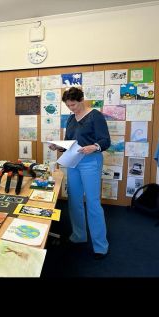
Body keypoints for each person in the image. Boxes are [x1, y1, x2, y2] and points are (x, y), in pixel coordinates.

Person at [49, 87, 111, 259]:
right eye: (68, 105)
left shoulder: (95, 116)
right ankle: (79, 236)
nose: (72, 108)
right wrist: (58, 146)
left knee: (92, 202)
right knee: (74, 200)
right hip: (72, 160)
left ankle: (100, 246)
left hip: (90, 161)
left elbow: (106, 141)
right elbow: (69, 142)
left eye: (74, 104)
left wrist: (94, 147)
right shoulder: (70, 118)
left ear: (82, 99)